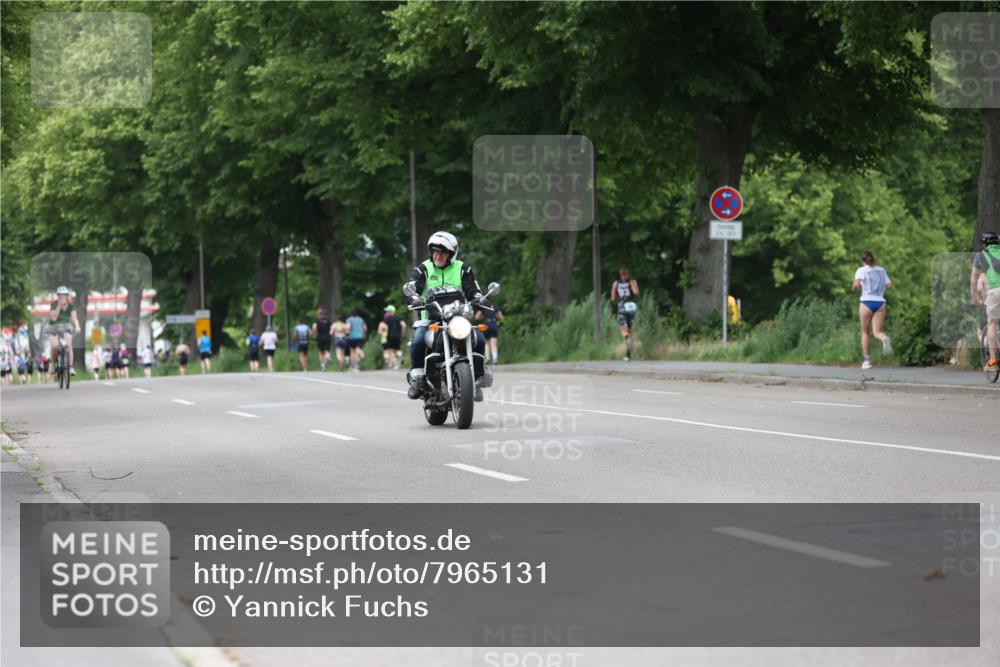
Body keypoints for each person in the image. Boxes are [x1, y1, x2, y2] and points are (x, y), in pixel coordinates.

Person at [402, 231, 487, 400]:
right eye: (434, 252)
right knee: (418, 341)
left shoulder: (462, 269)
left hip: (457, 317)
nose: (437, 255)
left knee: (479, 339)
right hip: (430, 317)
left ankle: (477, 378)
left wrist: (478, 298)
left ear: (451, 254)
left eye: (442, 252)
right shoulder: (423, 269)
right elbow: (412, 288)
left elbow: (472, 289)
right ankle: (417, 379)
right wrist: (414, 298)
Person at [853, 250, 893, 370]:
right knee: (877, 332)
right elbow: (890, 285)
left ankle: (867, 361)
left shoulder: (861, 270)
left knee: (865, 332)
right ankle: (884, 339)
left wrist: (854, 287)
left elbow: (856, 285)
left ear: (863, 260)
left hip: (866, 302)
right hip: (880, 302)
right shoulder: (881, 270)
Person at [972, 231, 1000, 369]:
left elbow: (973, 280)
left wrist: (975, 298)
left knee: (992, 323)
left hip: (995, 291)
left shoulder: (981, 255)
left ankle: (993, 361)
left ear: (984, 244)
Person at [46, 286, 82, 376]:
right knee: (55, 346)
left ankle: (70, 367)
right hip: (53, 327)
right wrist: (59, 306)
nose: (62, 297)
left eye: (64, 295)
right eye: (60, 295)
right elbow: (54, 318)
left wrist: (77, 326)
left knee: (69, 345)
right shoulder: (53, 304)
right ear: (58, 296)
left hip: (66, 327)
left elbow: (74, 318)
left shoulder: (71, 306)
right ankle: (52, 364)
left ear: (67, 296)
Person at [610, 267, 639, 360]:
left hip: (622, 306)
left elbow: (613, 298)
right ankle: (628, 355)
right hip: (631, 305)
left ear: (620, 273)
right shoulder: (632, 281)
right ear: (627, 273)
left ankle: (627, 338)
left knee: (624, 330)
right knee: (630, 329)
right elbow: (636, 293)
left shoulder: (616, 283)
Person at [378, 305, 407, 370]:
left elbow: (383, 328)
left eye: (388, 311)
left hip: (390, 336)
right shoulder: (399, 318)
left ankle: (396, 365)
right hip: (398, 336)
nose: (387, 312)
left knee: (391, 351)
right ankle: (400, 356)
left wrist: (382, 331)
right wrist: (403, 333)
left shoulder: (387, 319)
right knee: (398, 349)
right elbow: (404, 325)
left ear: (390, 311)